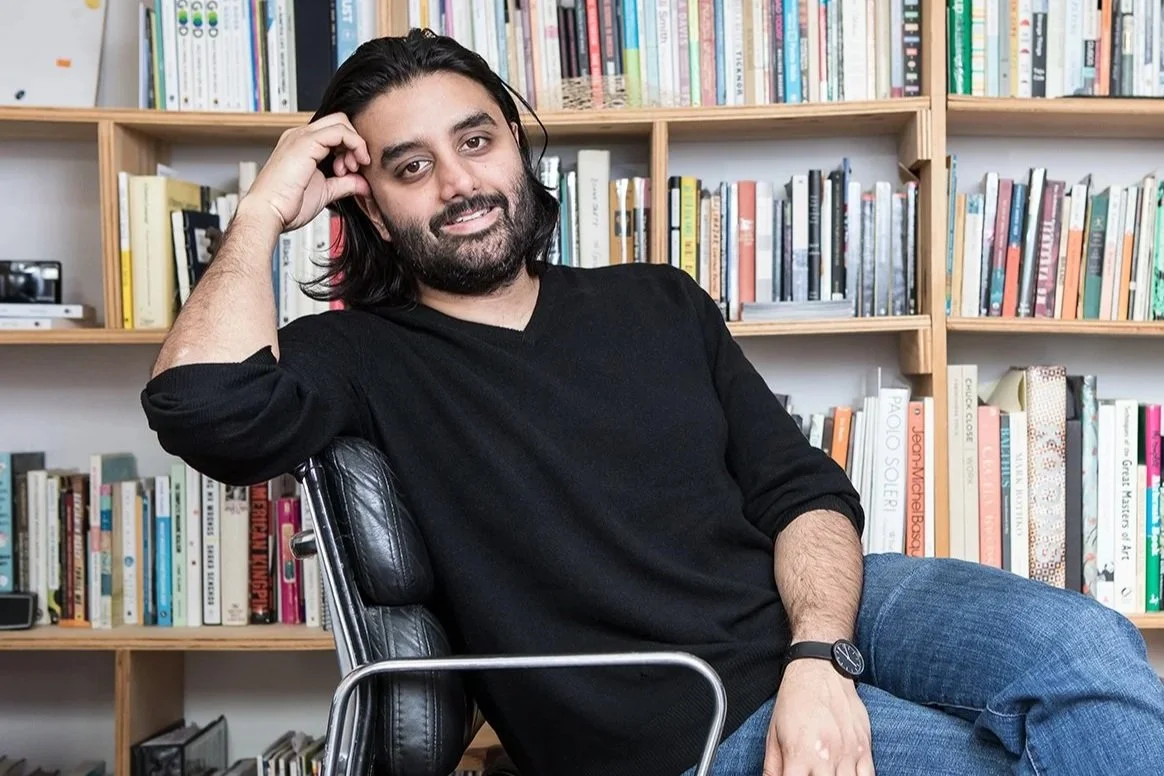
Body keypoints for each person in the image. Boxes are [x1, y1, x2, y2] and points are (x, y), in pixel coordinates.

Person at [139, 28, 1164, 776]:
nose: (460, 181)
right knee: (1004, 761)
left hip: (822, 609)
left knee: (1086, 646)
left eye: (477, 139)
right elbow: (201, 409)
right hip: (691, 711)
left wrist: (820, 655)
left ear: (517, 142)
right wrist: (266, 209)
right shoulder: (357, 354)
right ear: (367, 197)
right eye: (412, 167)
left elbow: (802, 489)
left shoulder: (655, 298)